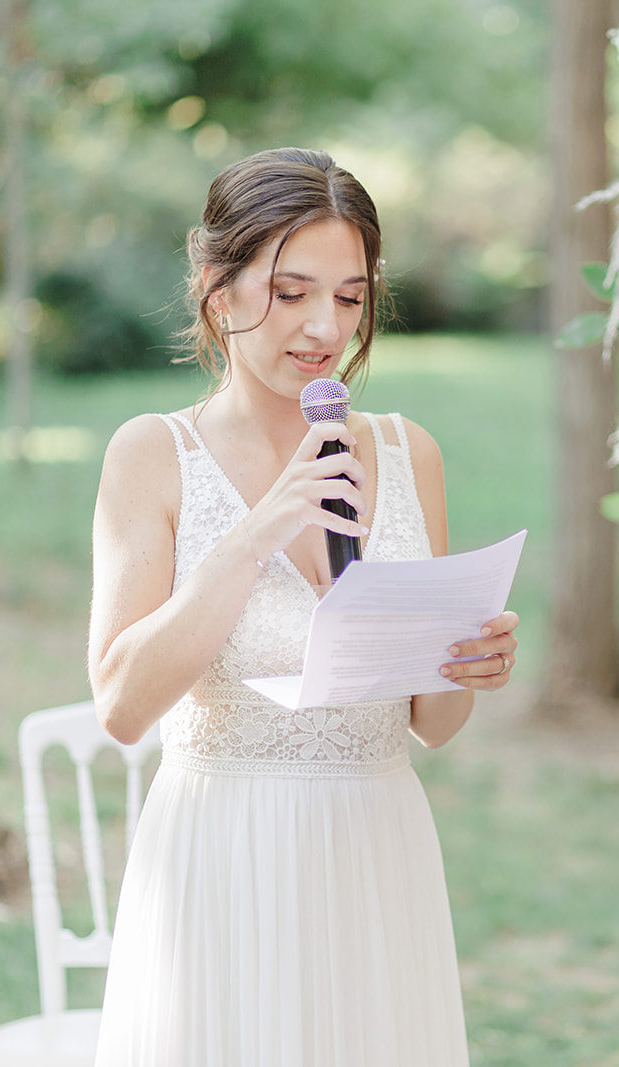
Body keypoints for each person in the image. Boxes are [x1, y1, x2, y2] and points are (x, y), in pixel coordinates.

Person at [86, 147, 518, 1066]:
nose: (326, 326)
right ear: (217, 287)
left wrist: (465, 662)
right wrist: (256, 532)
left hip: (374, 854)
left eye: (352, 296)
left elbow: (432, 725)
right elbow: (121, 703)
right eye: (291, 292)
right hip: (219, 861)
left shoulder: (410, 452)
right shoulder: (152, 455)